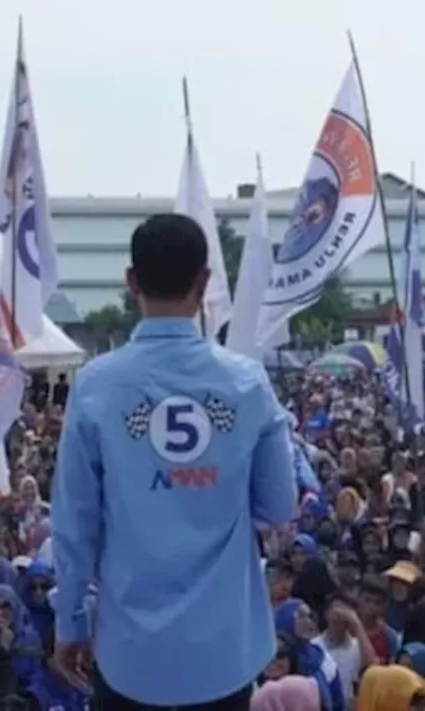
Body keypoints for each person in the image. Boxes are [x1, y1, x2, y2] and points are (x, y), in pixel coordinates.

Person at [50, 213, 296, 710]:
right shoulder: (247, 382)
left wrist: (70, 622)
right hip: (223, 656)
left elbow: (75, 522)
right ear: (205, 282)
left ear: (131, 282)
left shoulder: (96, 386)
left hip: (128, 656)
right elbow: (279, 505)